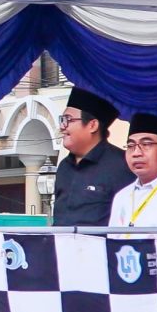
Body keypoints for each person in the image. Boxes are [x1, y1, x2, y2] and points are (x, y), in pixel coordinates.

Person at [49, 87, 134, 227]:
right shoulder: (64, 166)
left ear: (92, 125)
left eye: (68, 120)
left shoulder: (122, 165)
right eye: (62, 120)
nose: (62, 127)